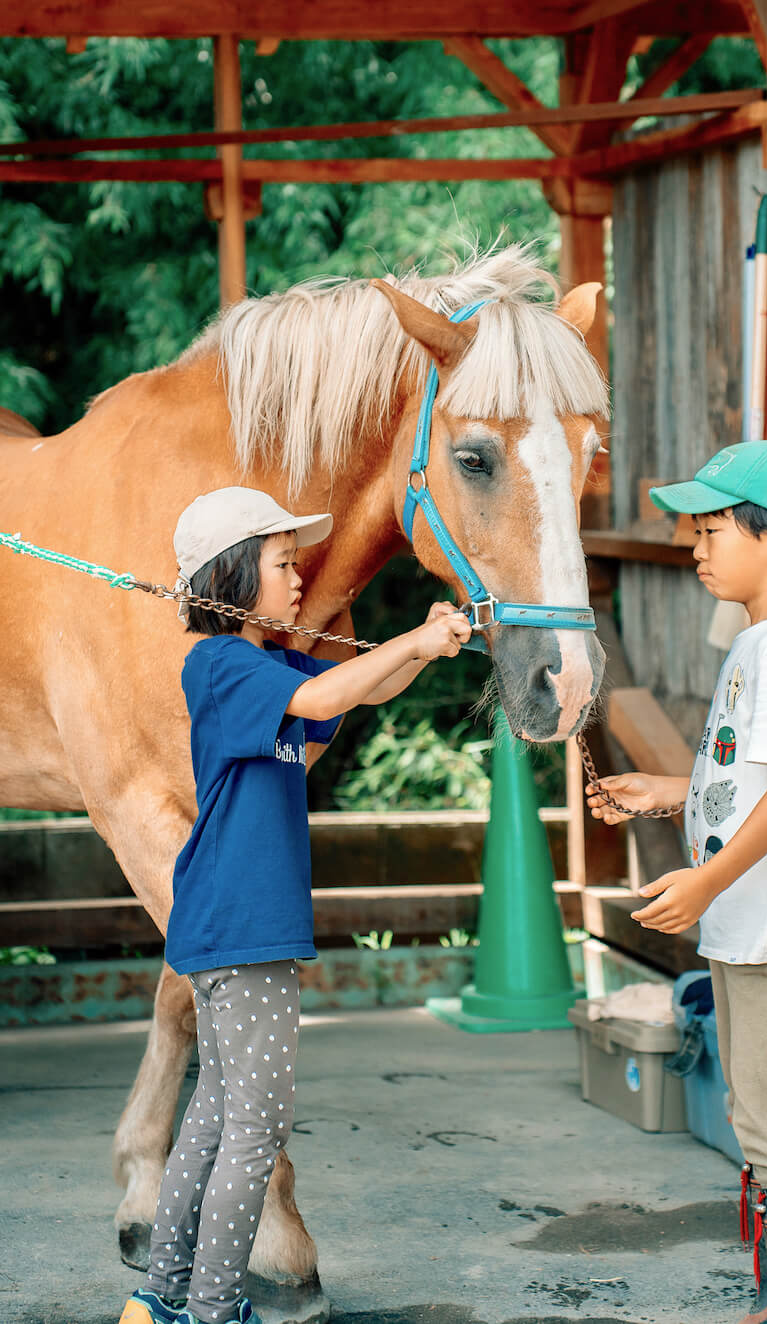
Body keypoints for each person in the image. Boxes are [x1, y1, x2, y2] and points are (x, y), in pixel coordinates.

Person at [120, 487, 472, 1324]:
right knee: (256, 1126)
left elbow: (352, 694)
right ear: (235, 576)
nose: (296, 576)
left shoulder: (267, 665)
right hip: (242, 924)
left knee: (213, 1118)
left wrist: (423, 648)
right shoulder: (220, 664)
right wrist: (415, 639)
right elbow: (319, 705)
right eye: (281, 564)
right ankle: (212, 1307)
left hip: (229, 926)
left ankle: (163, 1296)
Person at [586, 442, 767, 1323]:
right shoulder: (757, 641)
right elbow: (748, 779)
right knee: (752, 1106)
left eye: (711, 531)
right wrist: (672, 792)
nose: (696, 549)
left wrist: (703, 883)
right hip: (746, 915)